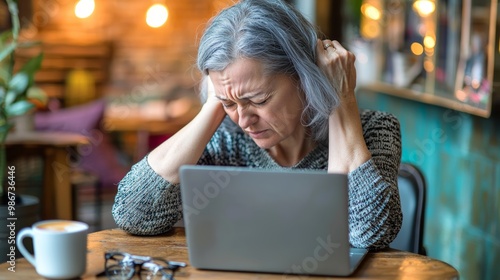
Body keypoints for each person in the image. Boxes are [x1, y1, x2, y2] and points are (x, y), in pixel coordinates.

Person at [112, 0, 402, 250]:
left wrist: (339, 99)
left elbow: (368, 233)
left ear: (304, 79)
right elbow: (133, 213)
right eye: (228, 104)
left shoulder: (375, 130)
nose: (243, 120)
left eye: (259, 100)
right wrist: (217, 103)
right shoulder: (224, 139)